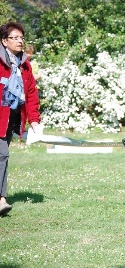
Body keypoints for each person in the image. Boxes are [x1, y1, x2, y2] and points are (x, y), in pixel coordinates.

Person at [0, 22, 41, 216]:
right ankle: (1, 200)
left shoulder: (24, 65)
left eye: (21, 38)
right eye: (14, 38)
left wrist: (34, 120)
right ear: (4, 41)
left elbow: (31, 93)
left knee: (2, 156)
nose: (19, 41)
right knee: (2, 155)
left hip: (10, 117)